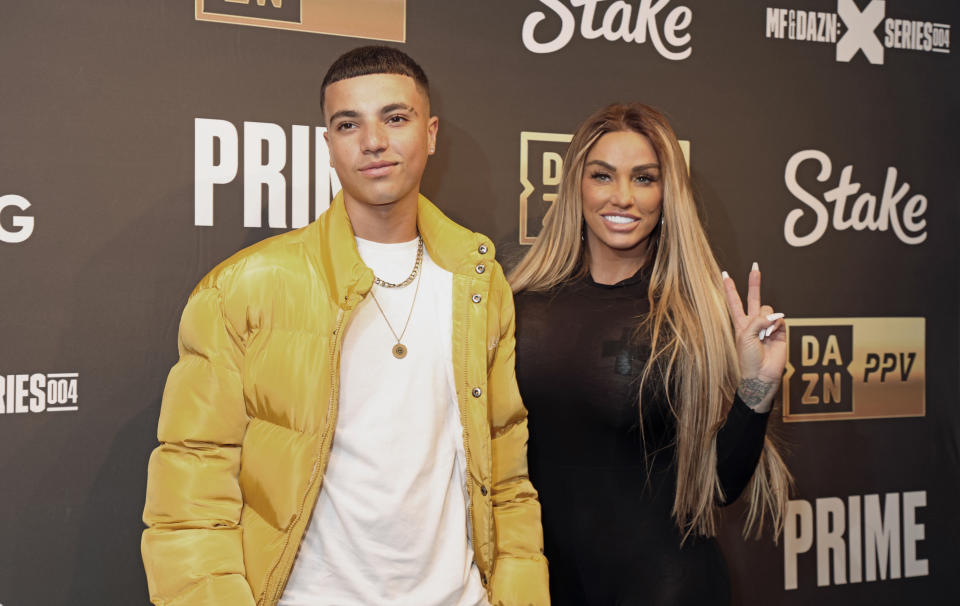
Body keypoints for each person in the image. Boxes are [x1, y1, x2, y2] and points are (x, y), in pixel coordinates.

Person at [141, 46, 549, 606]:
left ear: (430, 134)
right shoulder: (242, 288)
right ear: (327, 145)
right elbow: (190, 490)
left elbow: (505, 473)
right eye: (348, 124)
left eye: (395, 118)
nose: (374, 141)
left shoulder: (479, 283)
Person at [509, 103, 791, 605]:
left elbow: (719, 488)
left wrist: (757, 388)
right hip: (543, 589)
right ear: (577, 185)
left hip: (664, 589)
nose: (623, 197)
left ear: (668, 194)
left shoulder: (690, 317)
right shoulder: (520, 302)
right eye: (603, 176)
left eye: (644, 178)